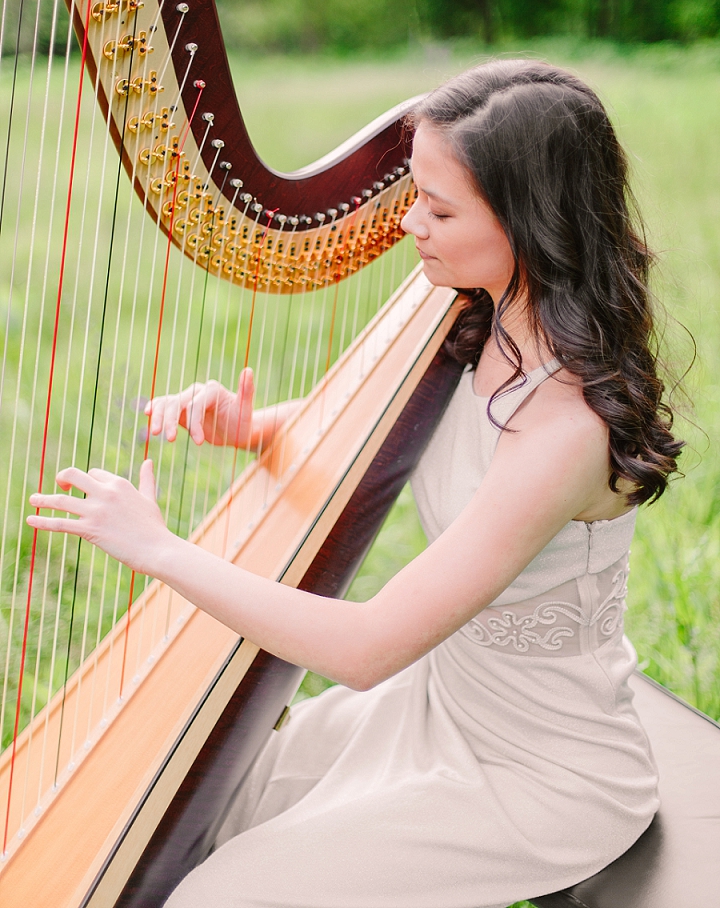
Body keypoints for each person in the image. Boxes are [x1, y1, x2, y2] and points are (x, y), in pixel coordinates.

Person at [28, 59, 683, 908]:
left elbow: (366, 649)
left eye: (441, 209)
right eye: (415, 194)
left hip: (540, 778)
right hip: (441, 710)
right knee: (226, 808)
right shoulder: (477, 318)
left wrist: (161, 552)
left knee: (214, 898)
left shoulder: (563, 431)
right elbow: (410, 432)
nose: (411, 223)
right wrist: (253, 427)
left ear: (532, 223)